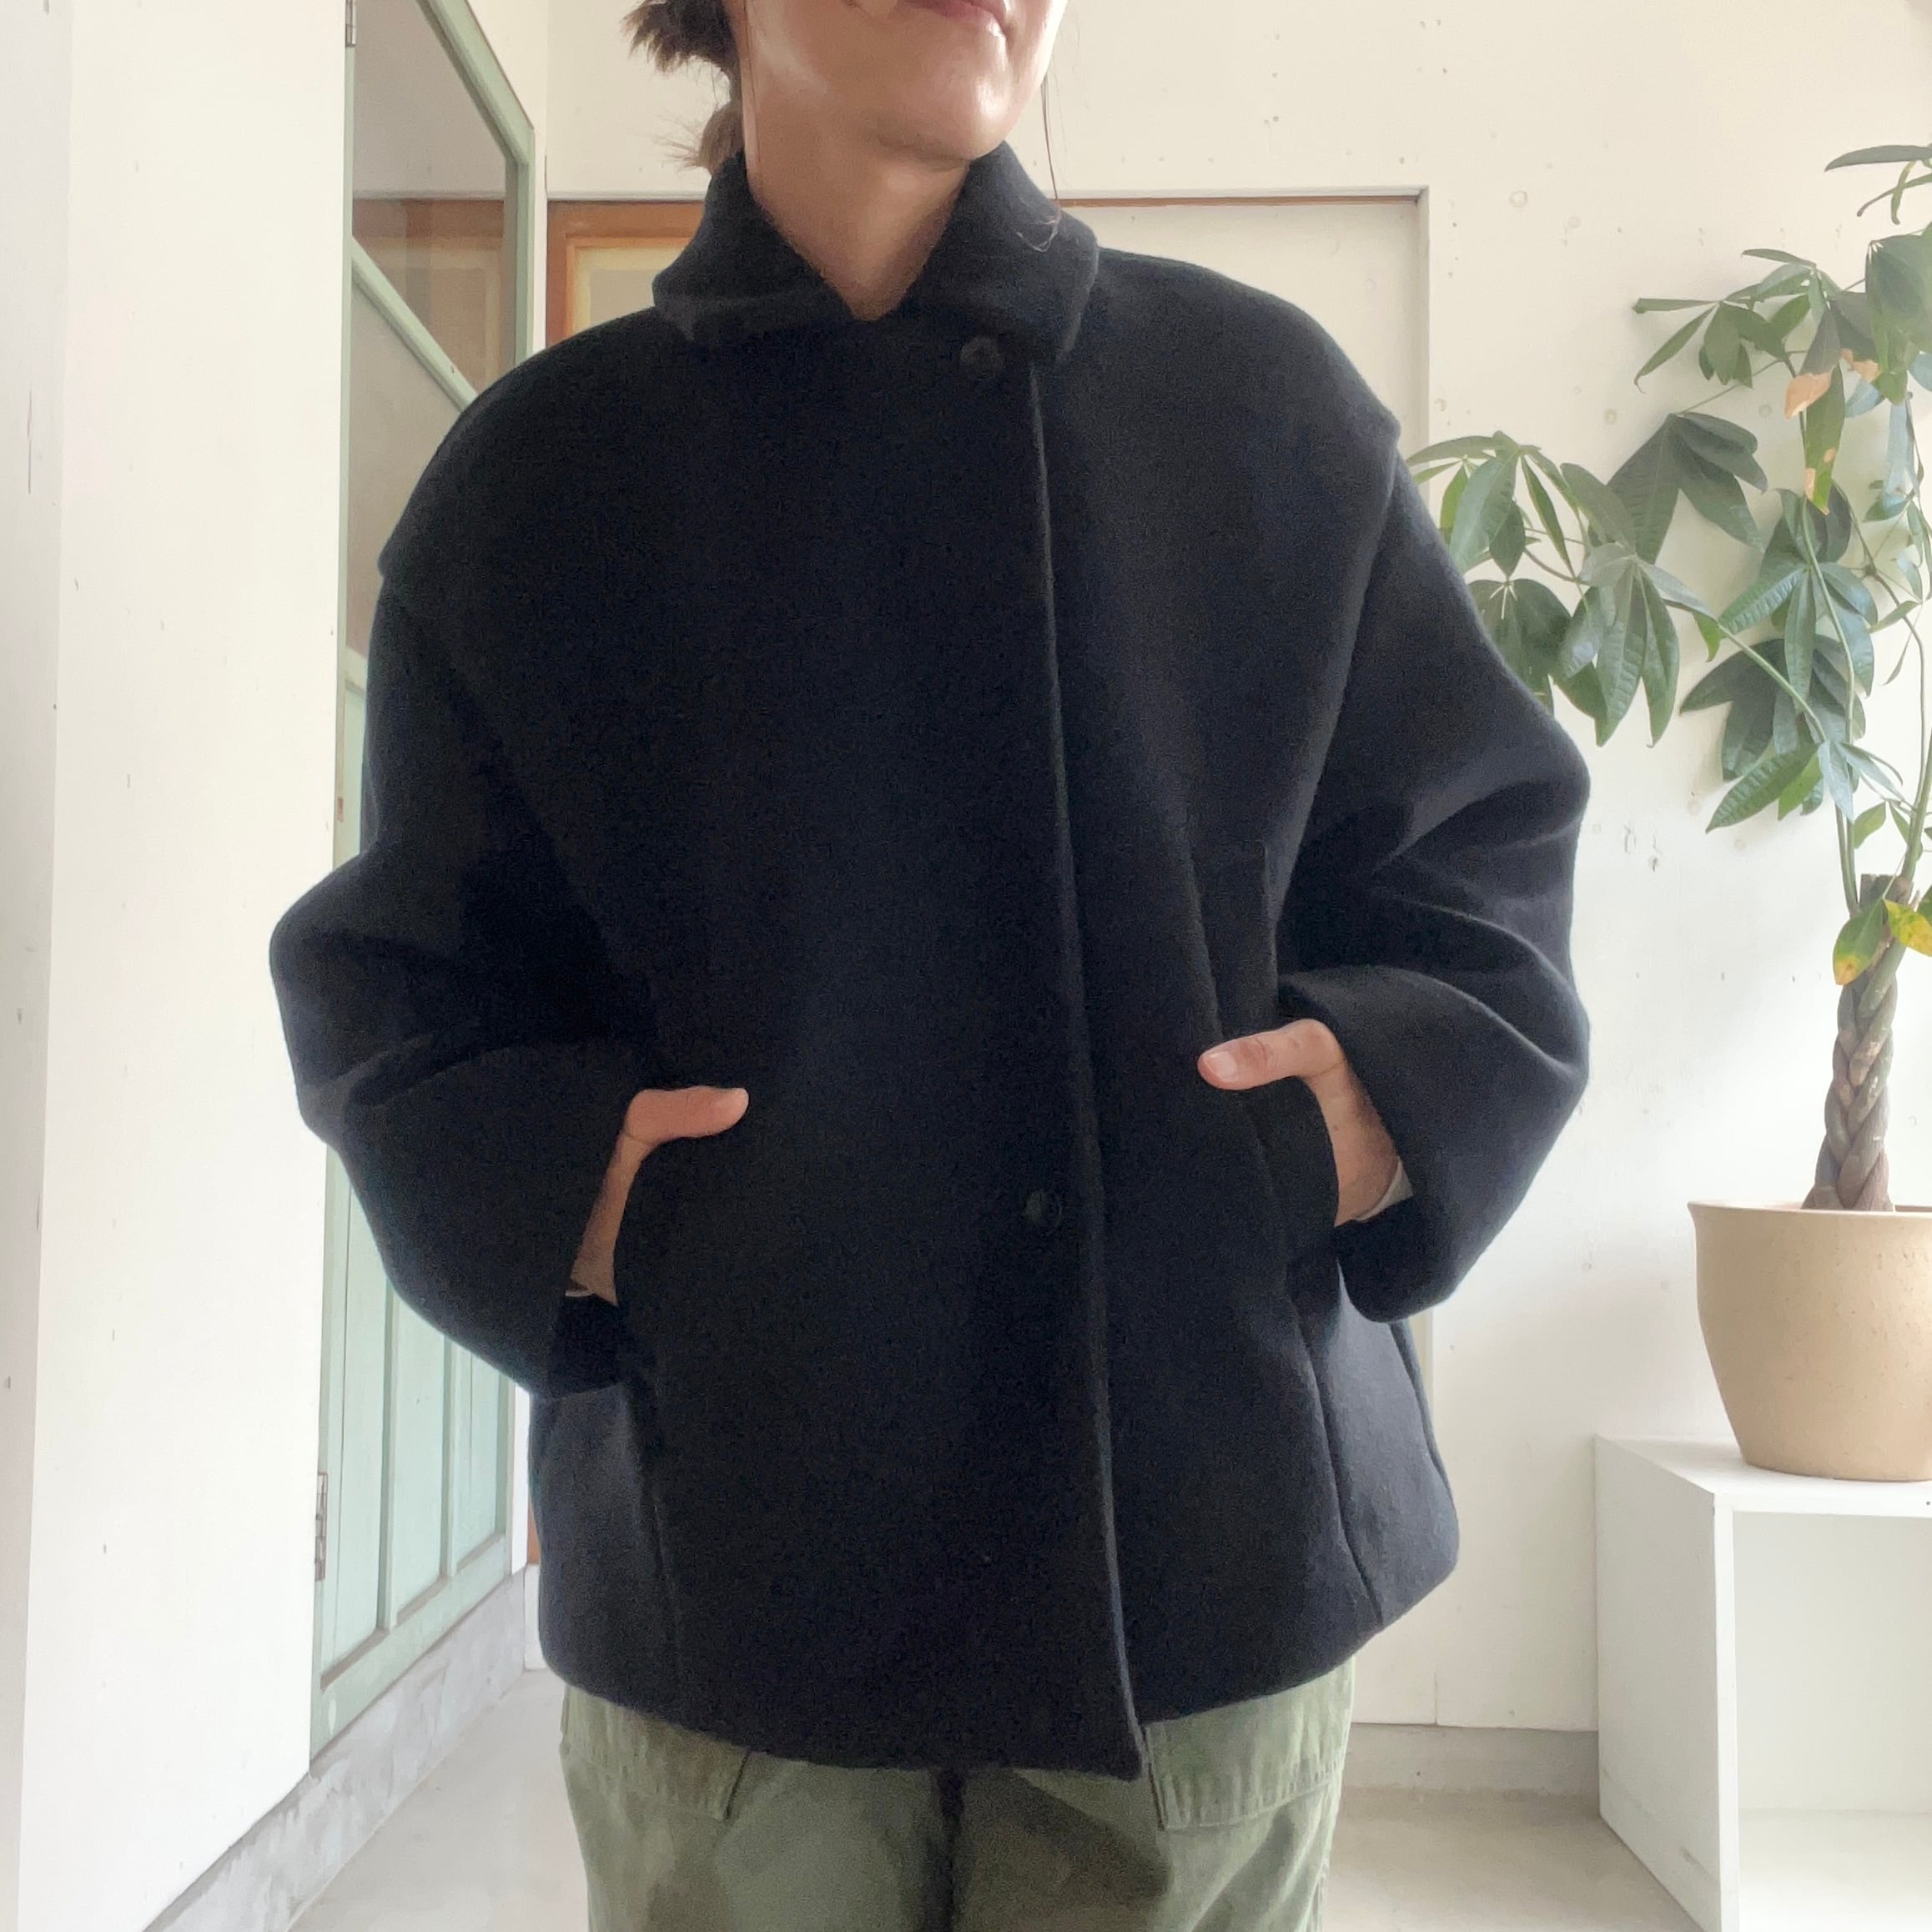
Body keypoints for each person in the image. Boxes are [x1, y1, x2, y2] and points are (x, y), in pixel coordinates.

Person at [268, 0, 1591, 1924]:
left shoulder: (1262, 406)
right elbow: (407, 982)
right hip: (737, 1548)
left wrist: (1362, 1116)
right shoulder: (542, 478)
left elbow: (1481, 854)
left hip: (1195, 1524)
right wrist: (605, 1210)